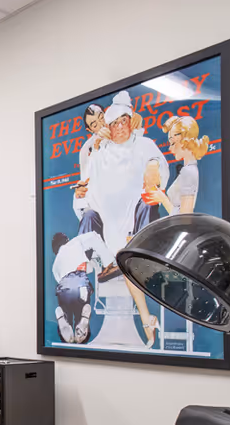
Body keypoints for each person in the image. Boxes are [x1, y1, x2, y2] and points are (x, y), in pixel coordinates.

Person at [73, 90, 167, 345]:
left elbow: (157, 165)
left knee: (145, 204)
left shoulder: (143, 143)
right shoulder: (95, 152)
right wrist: (82, 193)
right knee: (89, 217)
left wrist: (153, 165)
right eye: (110, 124)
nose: (116, 127)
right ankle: (103, 264)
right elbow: (88, 188)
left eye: (122, 121)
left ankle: (139, 257)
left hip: (135, 224)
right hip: (108, 225)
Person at [51, 231, 113, 344]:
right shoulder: (75, 242)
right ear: (67, 240)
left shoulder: (55, 265)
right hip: (79, 283)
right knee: (81, 309)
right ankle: (82, 322)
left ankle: (64, 321)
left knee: (66, 309)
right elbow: (94, 236)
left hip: (63, 289)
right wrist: (108, 261)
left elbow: (61, 280)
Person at [144, 115, 209, 215]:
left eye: (173, 143)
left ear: (184, 141)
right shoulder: (189, 169)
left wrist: (163, 199)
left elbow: (185, 216)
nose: (170, 148)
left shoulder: (188, 171)